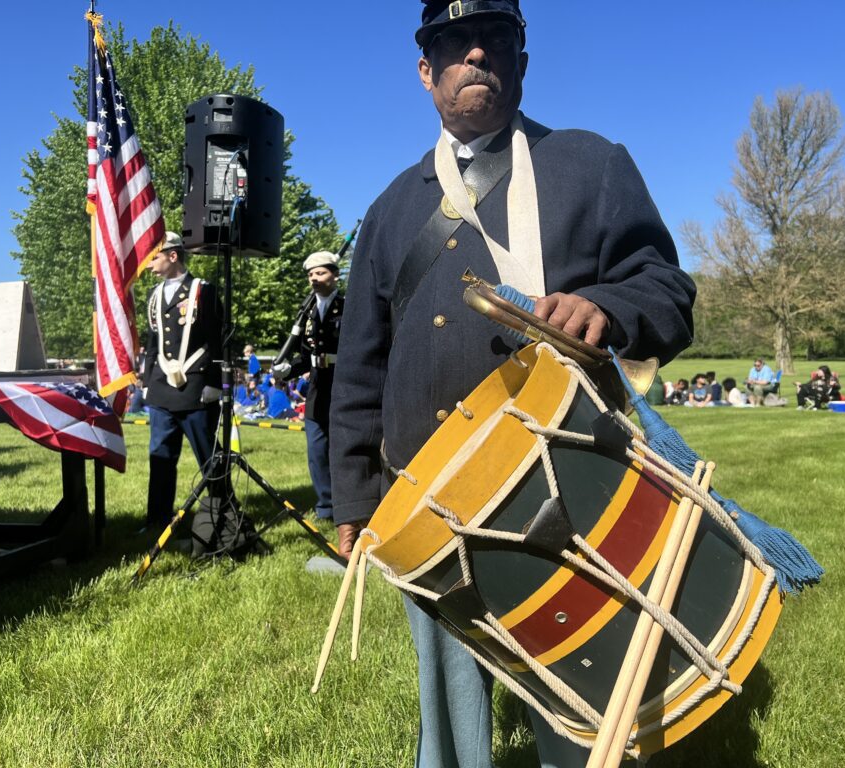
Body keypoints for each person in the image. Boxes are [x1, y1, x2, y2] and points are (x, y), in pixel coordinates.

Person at [328, 3, 696, 765]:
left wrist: (605, 305)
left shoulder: (590, 165)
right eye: (452, 46)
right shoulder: (391, 207)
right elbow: (362, 362)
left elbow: (668, 292)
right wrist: (358, 501)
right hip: (432, 495)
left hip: (570, 483)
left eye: (495, 40)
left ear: (522, 61)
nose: (476, 56)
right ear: (426, 71)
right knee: (453, 705)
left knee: (580, 694)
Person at [141, 231, 223, 529]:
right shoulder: (154, 297)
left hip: (197, 387)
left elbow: (217, 340)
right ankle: (157, 521)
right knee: (160, 457)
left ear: (172, 255)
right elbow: (152, 344)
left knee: (208, 458)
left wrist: (214, 382)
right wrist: (148, 381)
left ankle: (220, 514)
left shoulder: (203, 291)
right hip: (163, 389)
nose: (149, 265)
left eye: (154, 257)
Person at [274, 251, 344, 521]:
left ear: (335, 275)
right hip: (317, 388)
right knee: (316, 449)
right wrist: (289, 370)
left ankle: (348, 502)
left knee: (342, 448)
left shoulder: (348, 306)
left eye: (321, 273)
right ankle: (326, 505)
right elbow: (306, 357)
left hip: (342, 386)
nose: (314, 278)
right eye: (311, 274)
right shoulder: (307, 312)